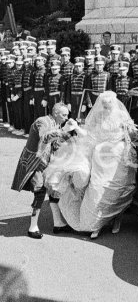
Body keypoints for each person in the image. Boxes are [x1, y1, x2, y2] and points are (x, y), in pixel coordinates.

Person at [45, 91, 138, 238]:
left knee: (115, 191)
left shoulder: (121, 116)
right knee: (97, 190)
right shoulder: (98, 116)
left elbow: (132, 136)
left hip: (117, 158)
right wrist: (76, 128)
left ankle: (115, 219)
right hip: (100, 159)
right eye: (104, 105)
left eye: (109, 105)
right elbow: (89, 135)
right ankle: (95, 224)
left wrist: (127, 135)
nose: (106, 108)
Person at [11, 102, 75, 238]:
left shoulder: (57, 124)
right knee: (40, 191)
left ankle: (58, 224)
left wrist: (70, 135)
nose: (66, 117)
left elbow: (55, 144)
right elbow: (45, 137)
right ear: (56, 113)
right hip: (34, 162)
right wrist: (63, 131)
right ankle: (32, 227)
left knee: (52, 190)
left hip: (46, 163)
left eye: (67, 115)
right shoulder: (42, 121)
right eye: (64, 115)